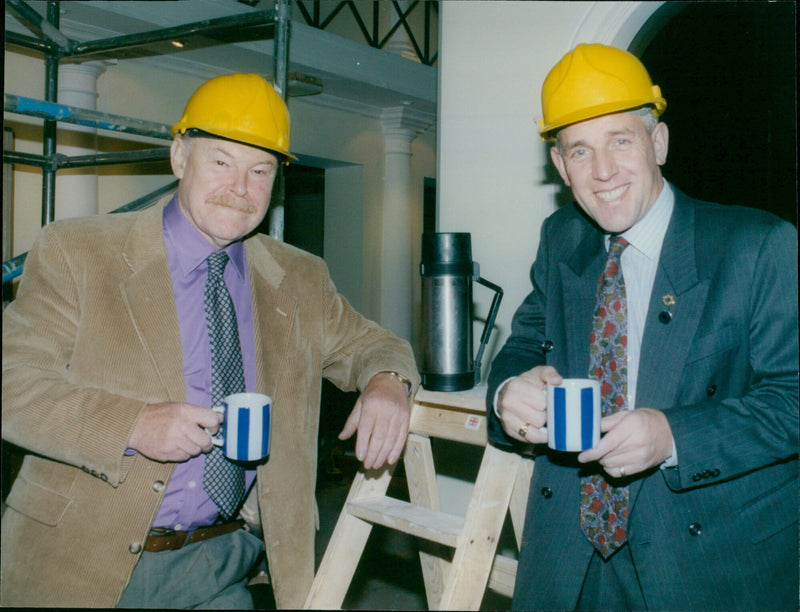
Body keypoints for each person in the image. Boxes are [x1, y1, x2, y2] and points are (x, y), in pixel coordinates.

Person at [1, 73, 419, 609]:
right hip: (80, 563)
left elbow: (373, 343)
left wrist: (388, 380)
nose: (240, 188)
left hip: (223, 564)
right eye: (221, 161)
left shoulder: (298, 277)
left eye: (260, 170)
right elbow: (11, 386)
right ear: (180, 157)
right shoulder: (78, 251)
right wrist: (133, 425)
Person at [487, 44, 798, 611]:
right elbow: (526, 342)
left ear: (659, 143)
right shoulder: (562, 238)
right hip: (571, 554)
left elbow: (792, 401)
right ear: (560, 165)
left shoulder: (758, 246)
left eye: (621, 141)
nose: (602, 171)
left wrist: (674, 436)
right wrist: (509, 391)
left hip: (709, 561)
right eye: (580, 150)